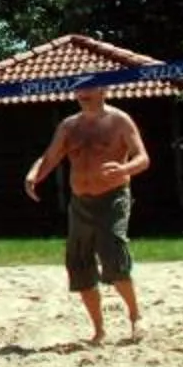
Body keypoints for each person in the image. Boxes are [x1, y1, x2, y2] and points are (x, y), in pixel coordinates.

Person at [25, 85, 150, 344]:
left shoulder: (119, 120)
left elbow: (143, 158)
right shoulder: (69, 126)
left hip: (113, 197)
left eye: (88, 89)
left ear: (103, 90)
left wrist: (124, 169)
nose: (82, 94)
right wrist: (34, 174)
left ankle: (136, 316)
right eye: (79, 90)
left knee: (113, 251)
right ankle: (99, 331)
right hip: (80, 201)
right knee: (79, 263)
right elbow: (50, 157)